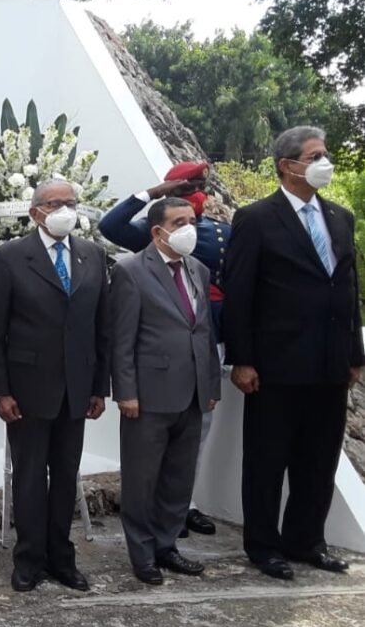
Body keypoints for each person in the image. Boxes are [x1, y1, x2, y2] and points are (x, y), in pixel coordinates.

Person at [224, 126, 364, 580]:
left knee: (318, 460)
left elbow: (348, 289)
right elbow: (239, 293)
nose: (325, 161)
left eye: (325, 152)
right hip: (275, 365)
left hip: (329, 362)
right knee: (268, 461)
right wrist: (241, 359)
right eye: (315, 155)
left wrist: (355, 353)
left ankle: (306, 540)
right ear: (288, 166)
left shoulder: (340, 217)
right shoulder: (256, 218)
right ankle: (264, 547)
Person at [0, 180, 110, 593]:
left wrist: (99, 386)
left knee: (65, 477)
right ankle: (29, 559)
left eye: (71, 203)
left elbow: (101, 327)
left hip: (77, 389)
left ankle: (62, 558)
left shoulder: (93, 255)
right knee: (29, 478)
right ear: (36, 211)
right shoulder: (10, 256)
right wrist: (0, 390)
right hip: (27, 389)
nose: (65, 211)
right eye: (55, 204)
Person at [98, 160, 230, 537]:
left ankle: (181, 506)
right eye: (185, 188)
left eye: (199, 186)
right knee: (152, 446)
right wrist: (153, 194)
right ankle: (157, 514)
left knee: (195, 435)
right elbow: (110, 226)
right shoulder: (151, 235)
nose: (195, 193)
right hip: (158, 356)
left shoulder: (221, 232)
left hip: (208, 340)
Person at [109, 197, 222, 585]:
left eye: (192, 220)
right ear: (158, 231)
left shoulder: (199, 270)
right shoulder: (131, 271)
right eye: (179, 222)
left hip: (192, 394)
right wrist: (125, 392)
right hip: (148, 395)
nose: (189, 228)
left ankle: (166, 544)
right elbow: (121, 339)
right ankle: (142, 555)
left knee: (178, 478)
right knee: (142, 480)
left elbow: (204, 332)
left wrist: (210, 386)